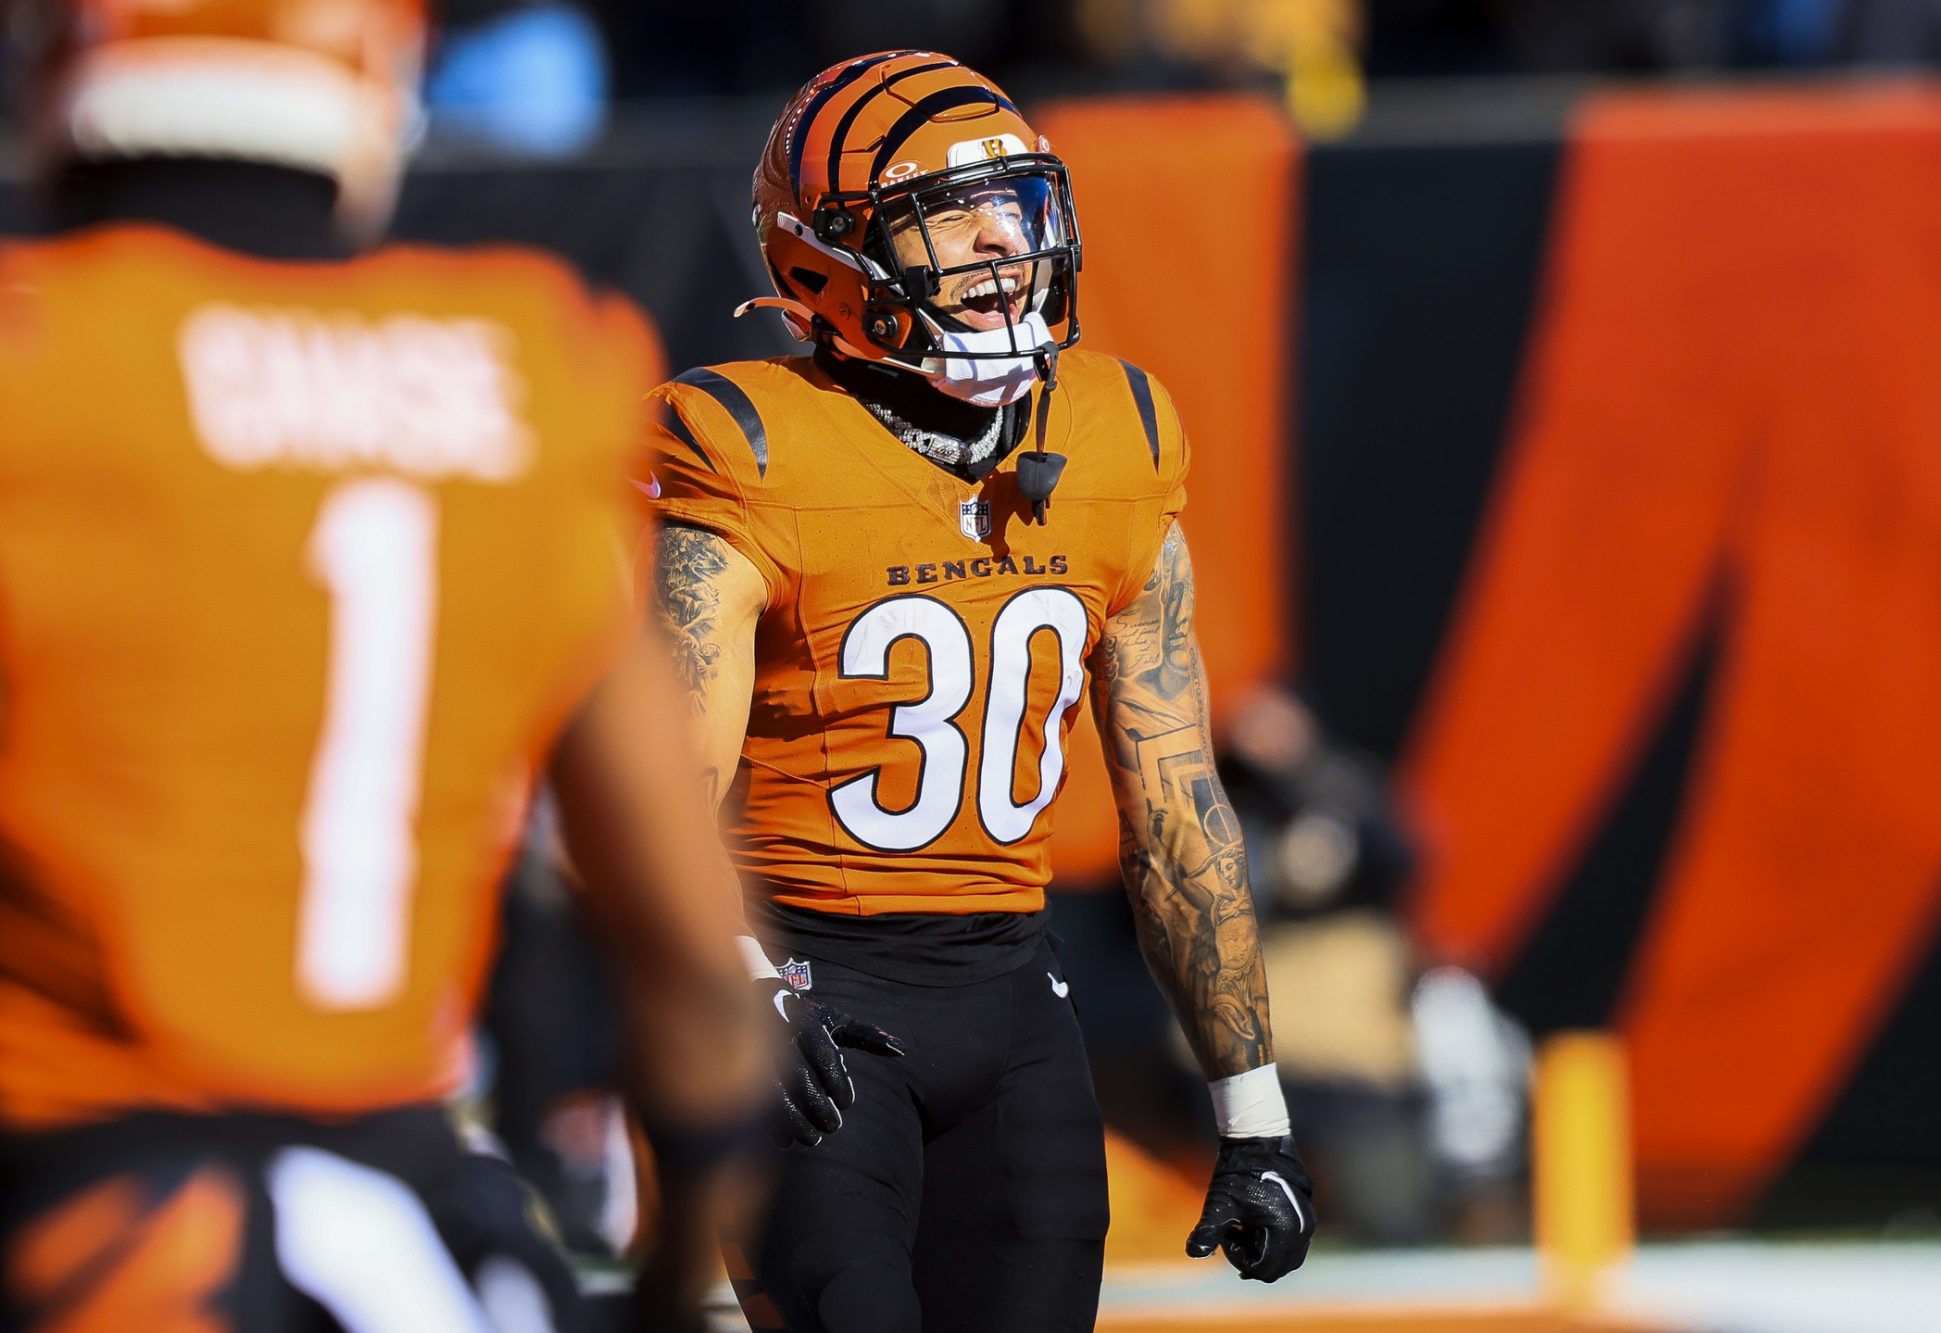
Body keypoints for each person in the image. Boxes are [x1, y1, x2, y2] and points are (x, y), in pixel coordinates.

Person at [0, 2, 764, 1328]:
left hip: (76, 1219)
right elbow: (697, 976)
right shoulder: (534, 367)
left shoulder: (39, 364)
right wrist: (673, 1280)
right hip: (411, 1237)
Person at [645, 50, 1317, 1333]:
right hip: (806, 998)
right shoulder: (751, 446)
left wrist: (1252, 1106)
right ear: (824, 258)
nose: (1004, 241)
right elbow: (656, 785)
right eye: (946, 213)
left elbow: (1177, 812)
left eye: (1016, 203)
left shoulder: (1117, 432)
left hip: (1012, 1001)